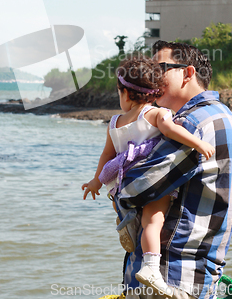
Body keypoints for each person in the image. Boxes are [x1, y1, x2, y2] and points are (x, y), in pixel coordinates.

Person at [114, 41, 232, 299]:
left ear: (188, 73)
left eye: (159, 68)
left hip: (169, 279)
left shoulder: (190, 124)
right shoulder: (228, 119)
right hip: (200, 275)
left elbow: (133, 190)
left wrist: (113, 181)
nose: (152, 76)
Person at [81, 55, 215, 296]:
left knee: (133, 216)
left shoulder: (115, 122)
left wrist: (94, 182)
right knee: (153, 222)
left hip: (122, 184)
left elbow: (106, 157)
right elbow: (171, 130)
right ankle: (151, 267)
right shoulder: (155, 114)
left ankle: (126, 226)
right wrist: (198, 143)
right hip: (149, 181)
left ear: (125, 93)